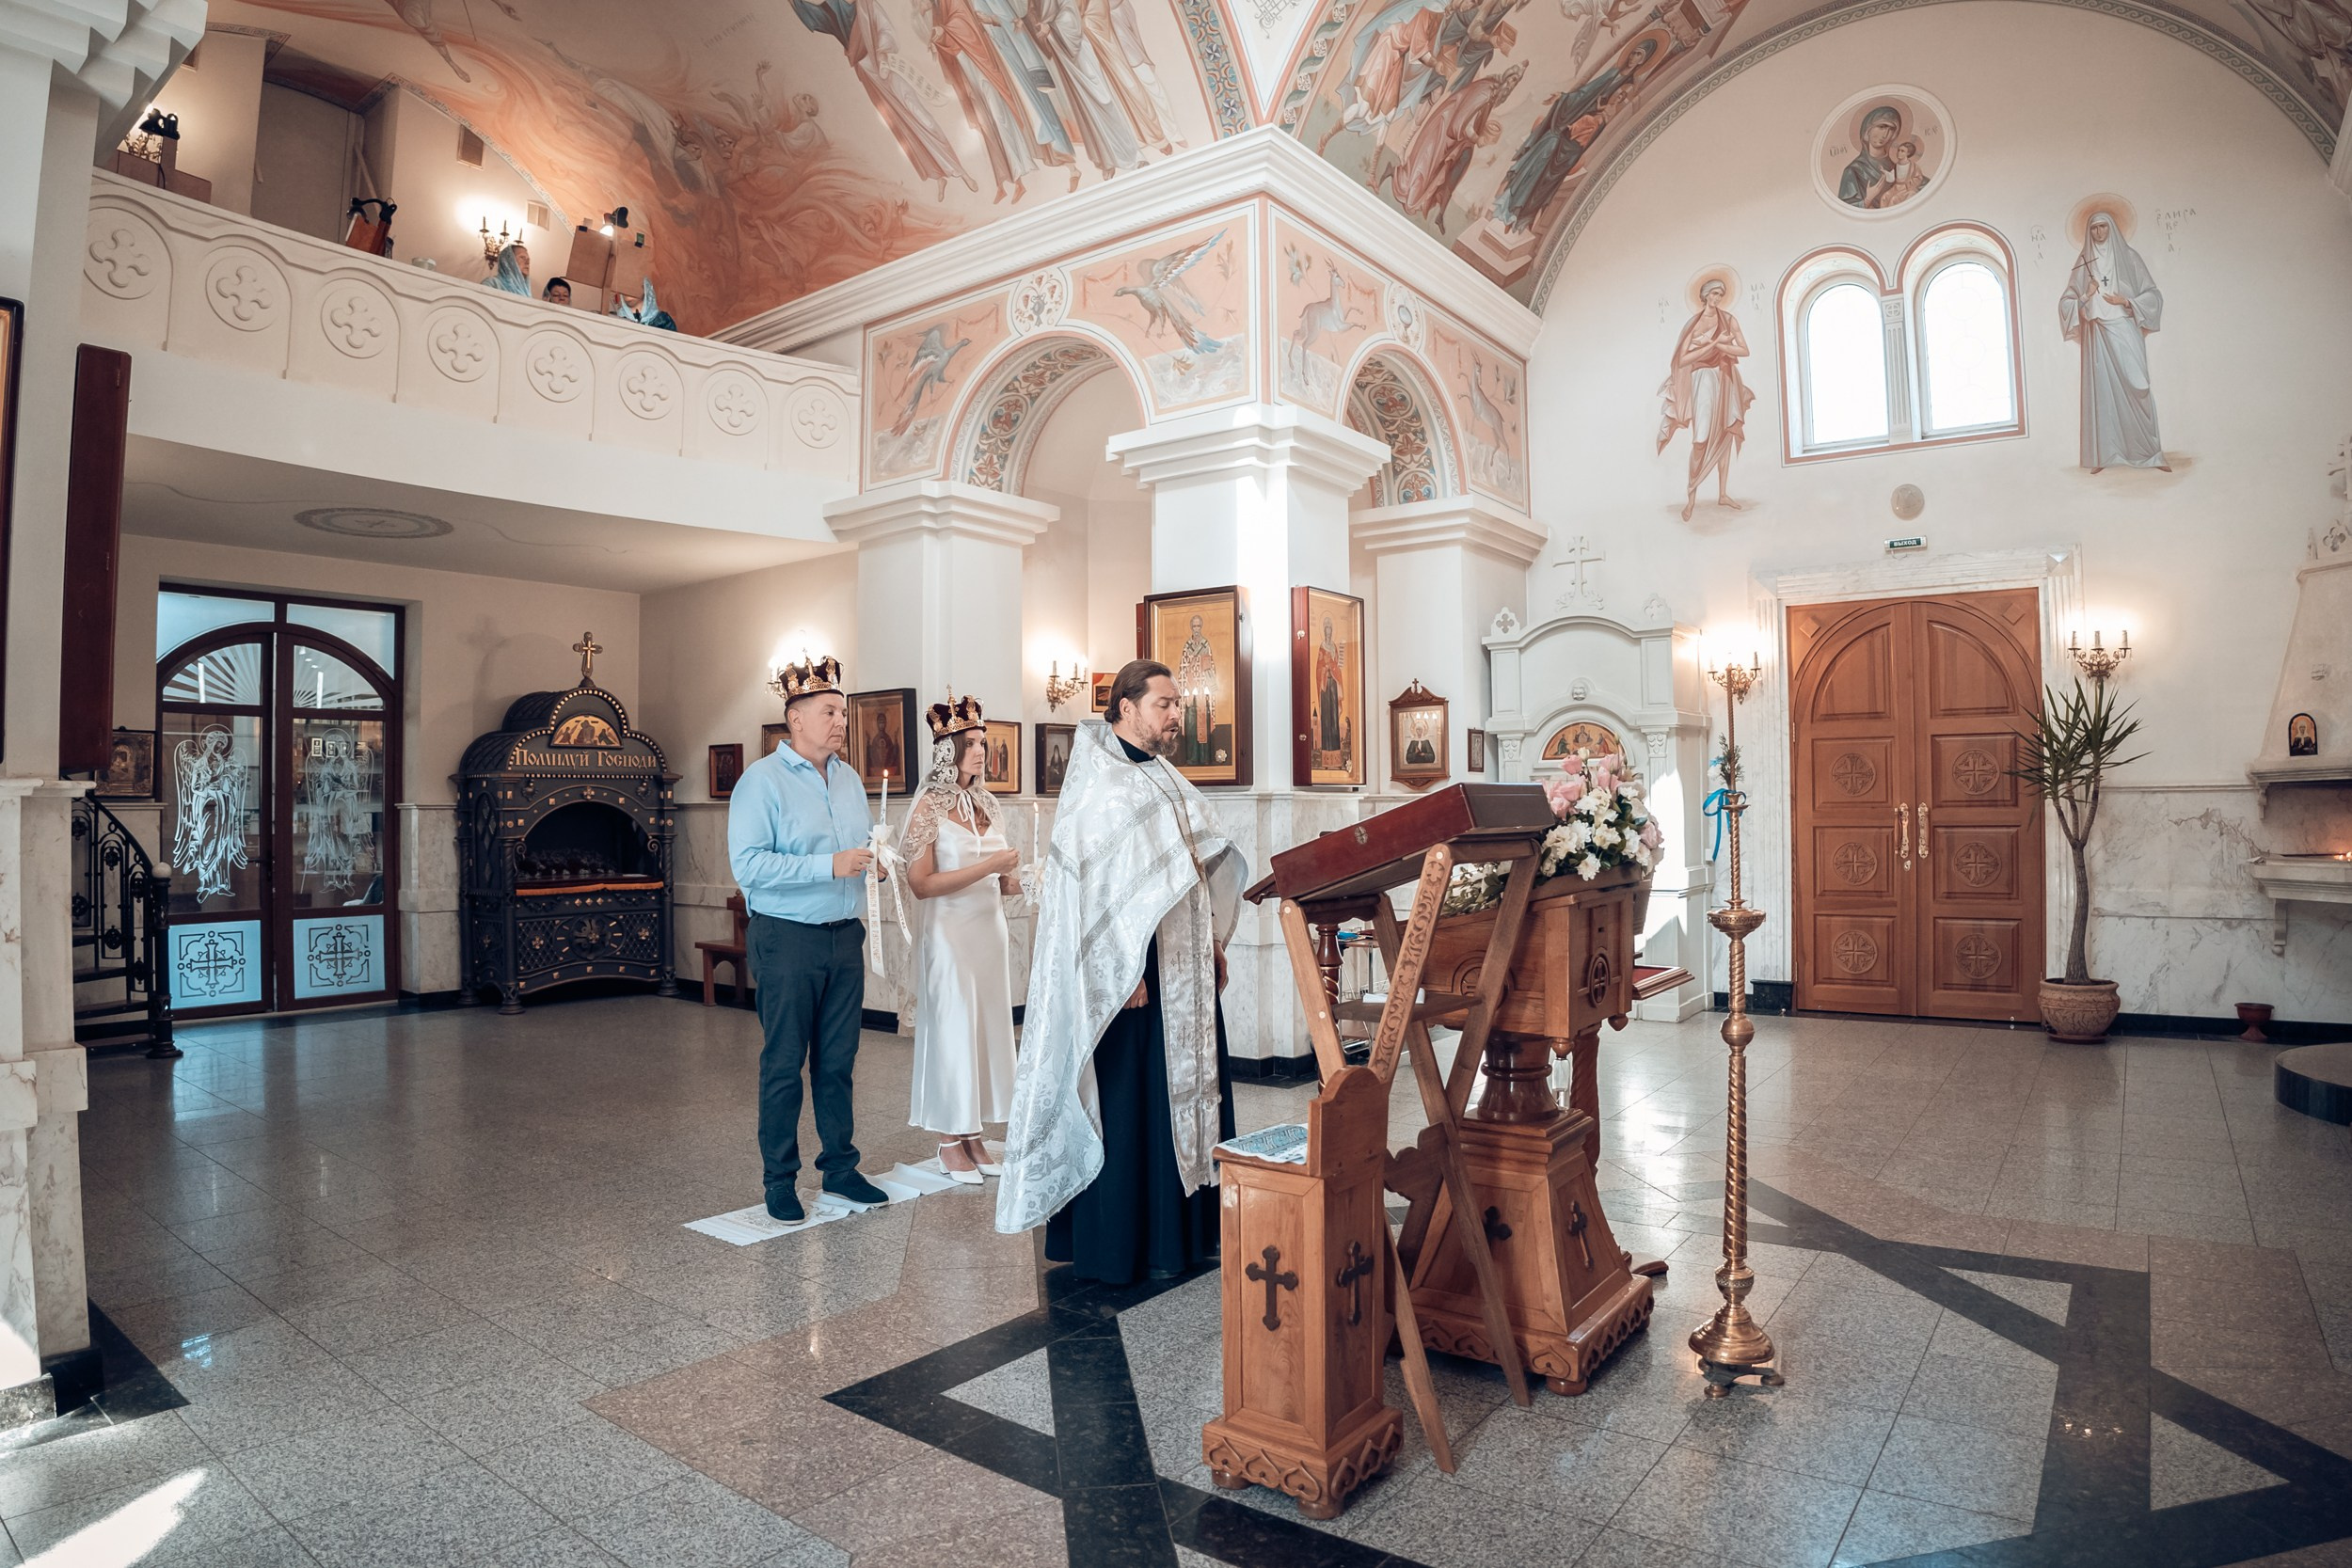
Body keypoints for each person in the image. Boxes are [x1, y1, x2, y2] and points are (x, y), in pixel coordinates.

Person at [996, 659, 1247, 1284]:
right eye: (1163, 703)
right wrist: (1122, 967)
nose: (1174, 716)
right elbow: (1093, 896)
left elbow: (1193, 867)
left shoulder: (1164, 777)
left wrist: (1211, 937)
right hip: (1132, 984)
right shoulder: (1100, 788)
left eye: (1175, 705)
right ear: (1125, 707)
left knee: (1183, 1098)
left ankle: (1185, 1234)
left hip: (1182, 972)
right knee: (1134, 1102)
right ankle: (1130, 1243)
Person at [727, 654, 893, 1223]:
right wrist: (830, 865)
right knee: (783, 1062)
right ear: (795, 718)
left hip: (844, 936)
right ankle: (779, 1180)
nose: (841, 722)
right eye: (829, 712)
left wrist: (875, 863)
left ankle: (841, 1170)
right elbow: (748, 866)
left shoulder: (847, 778)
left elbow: (855, 851)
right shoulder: (760, 782)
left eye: (842, 713)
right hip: (787, 939)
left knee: (838, 1061)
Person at [902, 692, 1022, 1181]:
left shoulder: (987, 802)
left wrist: (1018, 880)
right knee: (952, 1028)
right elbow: (921, 883)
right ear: (947, 750)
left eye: (982, 742)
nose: (980, 751)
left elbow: (1003, 881)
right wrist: (991, 865)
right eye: (970, 743)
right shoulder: (928, 807)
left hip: (988, 932)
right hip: (949, 933)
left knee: (986, 1027)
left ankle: (973, 1133)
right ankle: (948, 1139)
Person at [2059, 212, 2168, 472]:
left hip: (2124, 327)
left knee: (2137, 385)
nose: (2098, 233)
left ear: (2112, 229)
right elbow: (2066, 302)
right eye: (2094, 228)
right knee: (2103, 395)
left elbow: (2153, 296)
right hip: (2098, 332)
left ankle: (2151, 454)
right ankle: (2105, 455)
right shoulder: (2084, 262)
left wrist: (2126, 301)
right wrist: (2086, 294)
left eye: (2103, 227)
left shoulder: (2129, 258)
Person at [1657, 277, 1754, 521]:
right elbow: (1682, 360)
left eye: (1721, 295)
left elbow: (1744, 350)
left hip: (1726, 377)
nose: (1717, 299)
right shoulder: (1694, 324)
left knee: (1726, 432)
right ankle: (1691, 496)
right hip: (1703, 380)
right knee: (1700, 439)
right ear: (1704, 297)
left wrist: (1720, 348)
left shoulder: (1729, 320)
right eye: (1713, 294)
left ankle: (1722, 493)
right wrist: (1714, 345)